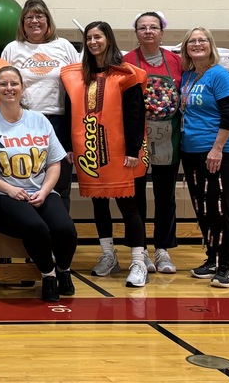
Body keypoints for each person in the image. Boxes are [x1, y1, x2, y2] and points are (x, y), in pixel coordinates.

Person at [0, 66, 77, 302]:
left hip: (40, 190)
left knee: (66, 230)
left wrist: (45, 191)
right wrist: (9, 189)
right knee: (36, 227)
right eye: (3, 84)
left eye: (14, 84)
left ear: (23, 87)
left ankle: (64, 270)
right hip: (2, 194)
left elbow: (54, 163)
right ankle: (48, 274)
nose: (9, 89)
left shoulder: (39, 120)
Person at [61, 21, 149, 288]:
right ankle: (108, 255)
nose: (93, 42)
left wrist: (133, 149)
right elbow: (68, 111)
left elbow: (136, 114)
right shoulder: (76, 75)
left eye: (98, 37)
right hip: (90, 149)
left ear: (108, 39)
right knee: (99, 204)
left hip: (122, 150)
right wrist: (68, 146)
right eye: (89, 38)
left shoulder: (126, 74)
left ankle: (138, 260)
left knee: (128, 206)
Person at [0, 0, 80, 211]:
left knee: (60, 181)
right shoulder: (12, 48)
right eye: (29, 17)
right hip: (24, 121)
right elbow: (4, 86)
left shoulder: (63, 46)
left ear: (48, 20)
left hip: (58, 121)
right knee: (26, 175)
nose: (34, 21)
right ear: (22, 23)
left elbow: (77, 85)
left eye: (39, 16)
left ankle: (59, 231)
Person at [180, 27, 229, 288]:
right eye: (192, 41)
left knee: (219, 207)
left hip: (220, 152)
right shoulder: (189, 75)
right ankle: (211, 258)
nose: (197, 44)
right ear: (186, 48)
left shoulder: (220, 75)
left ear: (210, 45)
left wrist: (216, 149)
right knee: (203, 208)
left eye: (201, 40)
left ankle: (225, 265)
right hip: (191, 151)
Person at [123, 11, 183, 275]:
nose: (148, 31)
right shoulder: (126, 61)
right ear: (136, 33)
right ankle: (140, 250)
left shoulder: (175, 61)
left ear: (162, 32)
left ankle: (163, 248)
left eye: (153, 27)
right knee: (135, 195)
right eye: (143, 27)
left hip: (168, 134)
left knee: (165, 194)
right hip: (137, 136)